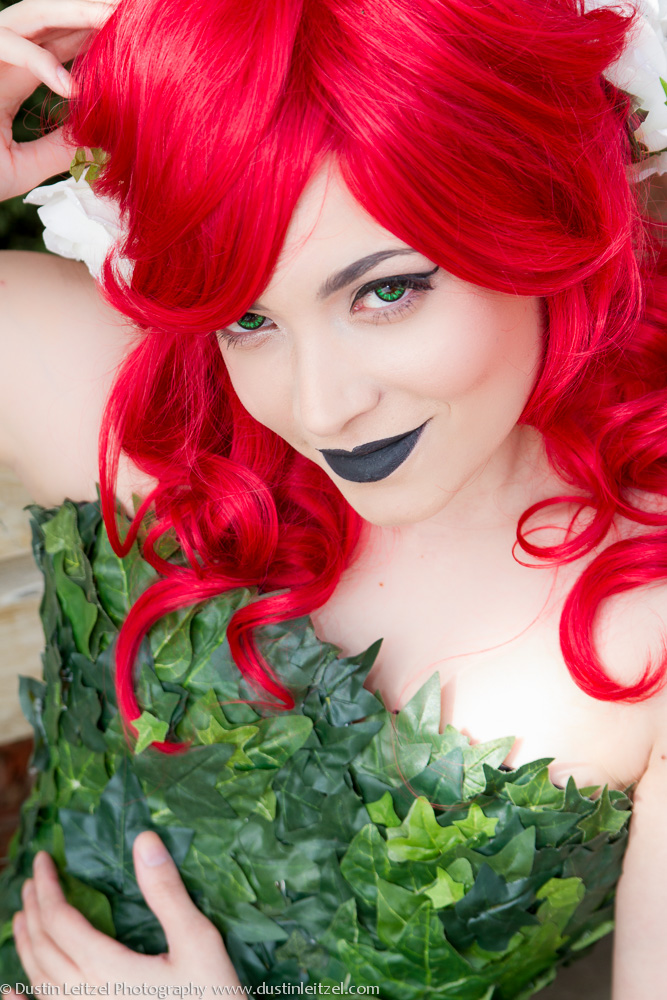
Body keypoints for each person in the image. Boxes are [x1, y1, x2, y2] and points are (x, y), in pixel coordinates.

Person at [1, 0, 667, 995]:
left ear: (545, 211)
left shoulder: (650, 618)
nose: (320, 408)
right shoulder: (108, 397)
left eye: (386, 291)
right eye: (248, 318)